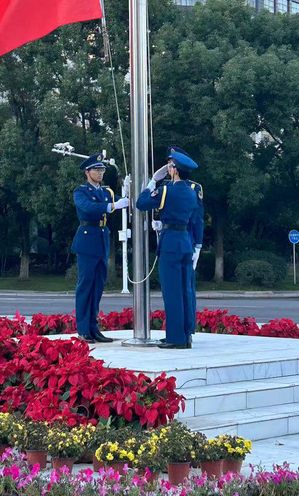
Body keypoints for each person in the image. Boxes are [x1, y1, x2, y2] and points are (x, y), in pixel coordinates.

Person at [136, 150, 202, 349]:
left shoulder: (166, 191)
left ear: (175, 170)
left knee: (172, 292)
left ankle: (176, 338)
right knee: (185, 291)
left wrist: (152, 182)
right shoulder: (192, 192)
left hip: (171, 242)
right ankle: (185, 335)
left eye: (171, 166)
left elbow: (141, 203)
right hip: (185, 241)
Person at [71, 153, 129, 343]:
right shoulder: (81, 191)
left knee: (97, 288)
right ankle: (83, 329)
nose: (100, 173)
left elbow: (121, 201)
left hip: (102, 239)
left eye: (102, 170)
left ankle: (93, 328)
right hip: (88, 239)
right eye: (96, 170)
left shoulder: (106, 192)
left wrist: (129, 192)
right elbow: (88, 207)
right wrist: (113, 206)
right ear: (87, 172)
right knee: (85, 286)